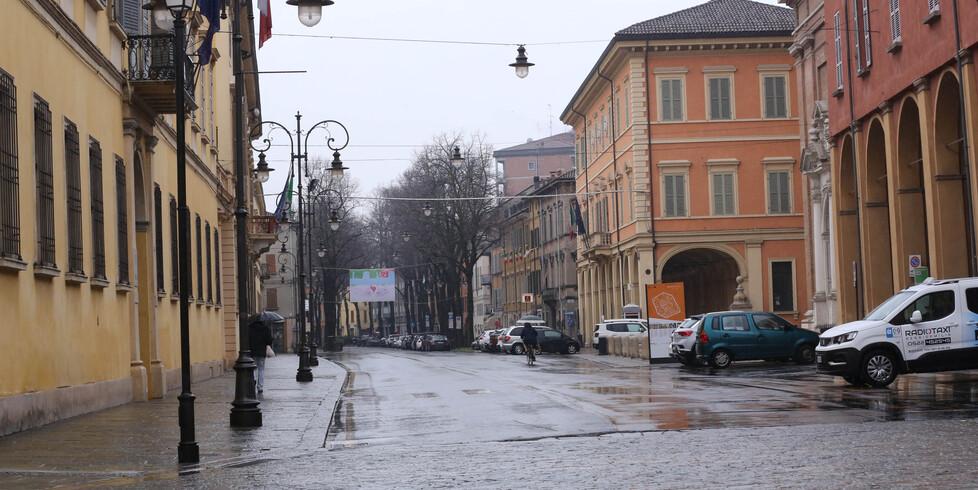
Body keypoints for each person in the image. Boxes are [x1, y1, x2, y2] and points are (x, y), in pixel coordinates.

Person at [249, 316, 274, 393]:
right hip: (261, 352)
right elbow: (269, 341)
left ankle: (253, 381)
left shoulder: (249, 328)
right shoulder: (265, 328)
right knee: (261, 369)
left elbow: (247, 340)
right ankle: (260, 387)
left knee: (252, 369)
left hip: (252, 352)